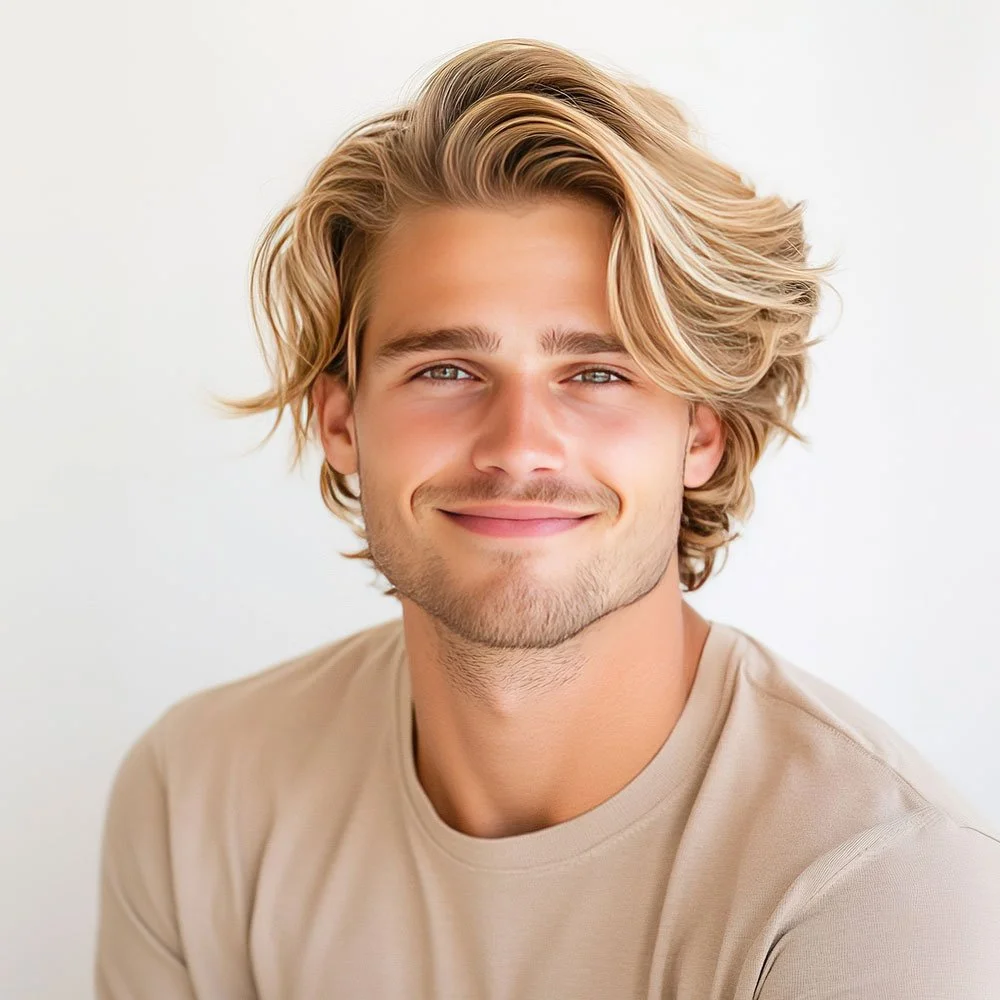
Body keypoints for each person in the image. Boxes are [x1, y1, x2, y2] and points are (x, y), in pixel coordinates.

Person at [95, 36, 1000, 1000]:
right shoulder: (194, 797)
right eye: (445, 369)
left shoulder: (880, 888)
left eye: (598, 374)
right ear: (343, 419)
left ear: (702, 436)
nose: (519, 445)